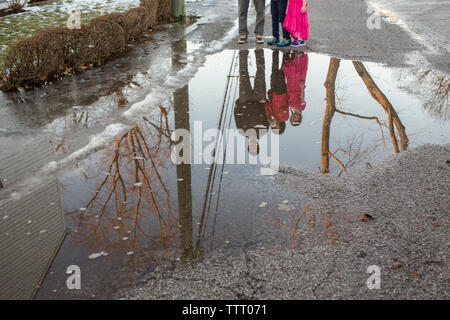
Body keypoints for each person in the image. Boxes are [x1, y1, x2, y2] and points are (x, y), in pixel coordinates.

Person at [235, 49, 269, 155]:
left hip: (244, 100)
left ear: (249, 145)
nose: (253, 145)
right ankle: (259, 52)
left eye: (251, 146)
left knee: (243, 74)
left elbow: (237, 115)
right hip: (260, 100)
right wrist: (265, 102)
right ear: (258, 145)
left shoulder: (242, 131)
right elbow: (267, 115)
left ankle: (243, 53)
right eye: (255, 146)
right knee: (261, 74)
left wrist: (239, 104)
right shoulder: (263, 132)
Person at [265, 51, 290, 135]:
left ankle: (275, 52)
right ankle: (286, 53)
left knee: (274, 71)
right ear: (281, 126)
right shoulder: (284, 118)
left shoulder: (272, 116)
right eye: (276, 128)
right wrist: (277, 118)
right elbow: (284, 109)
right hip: (281, 93)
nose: (275, 126)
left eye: (273, 128)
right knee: (282, 72)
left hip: (273, 93)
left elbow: (267, 106)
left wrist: (269, 117)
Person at [282, 52, 309, 126]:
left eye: (292, 119)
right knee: (298, 72)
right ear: (300, 118)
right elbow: (302, 97)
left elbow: (288, 96)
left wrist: (287, 86)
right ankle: (300, 55)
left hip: (290, 87)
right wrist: (302, 87)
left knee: (291, 73)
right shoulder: (301, 107)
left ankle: (294, 55)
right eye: (296, 119)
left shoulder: (291, 107)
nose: (294, 118)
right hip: (298, 88)